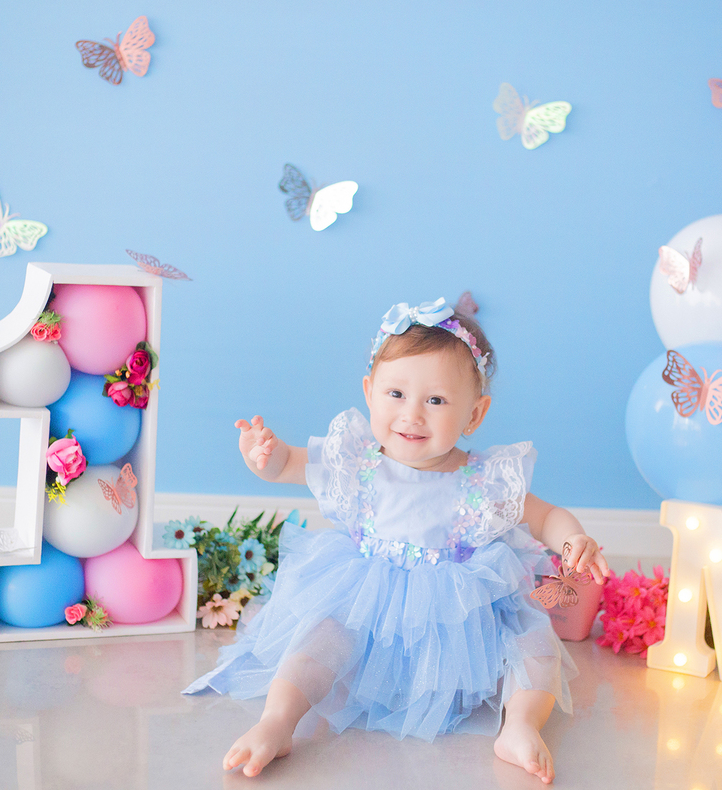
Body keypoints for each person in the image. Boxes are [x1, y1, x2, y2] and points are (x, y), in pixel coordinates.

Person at [185, 296, 609, 784]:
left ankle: (520, 726)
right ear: (370, 392)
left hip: (456, 618)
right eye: (396, 394)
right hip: (366, 602)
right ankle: (278, 721)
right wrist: (266, 455)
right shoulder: (358, 462)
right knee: (320, 637)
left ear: (474, 414)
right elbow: (289, 466)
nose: (412, 415)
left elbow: (545, 515)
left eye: (436, 400)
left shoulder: (482, 480)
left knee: (534, 646)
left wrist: (573, 537)